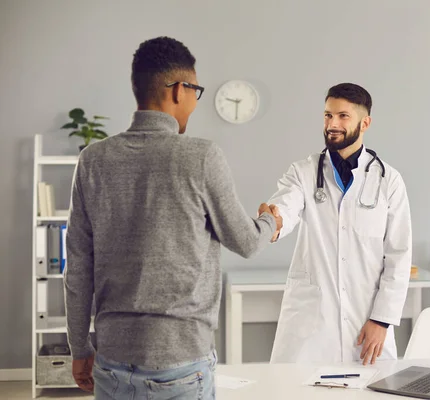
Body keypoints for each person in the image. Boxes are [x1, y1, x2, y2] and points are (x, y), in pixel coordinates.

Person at [64, 36, 281, 400]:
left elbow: (78, 268)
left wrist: (78, 347)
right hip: (180, 362)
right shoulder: (201, 156)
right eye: (195, 91)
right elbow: (246, 242)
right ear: (179, 90)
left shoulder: (93, 160)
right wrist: (269, 221)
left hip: (112, 360)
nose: (195, 102)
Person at [267, 83, 412, 365]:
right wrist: (273, 221)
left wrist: (381, 321)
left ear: (365, 122)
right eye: (327, 115)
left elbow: (399, 255)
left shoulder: (388, 180)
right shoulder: (304, 172)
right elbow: (286, 206)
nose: (332, 124)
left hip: (366, 320)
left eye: (343, 116)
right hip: (311, 324)